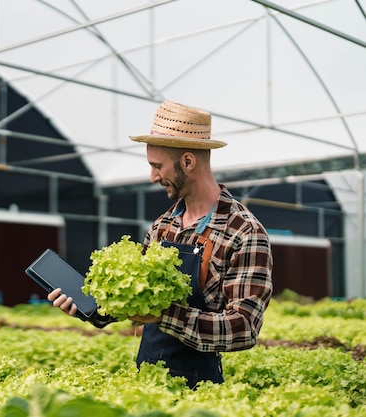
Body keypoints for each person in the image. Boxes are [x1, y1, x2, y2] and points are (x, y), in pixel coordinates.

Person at [48, 100, 273, 389]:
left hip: (199, 391)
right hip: (147, 383)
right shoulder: (163, 226)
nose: (153, 176)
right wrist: (91, 308)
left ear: (188, 162)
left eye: (157, 166)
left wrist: (164, 315)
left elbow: (243, 328)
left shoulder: (243, 231)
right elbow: (135, 301)